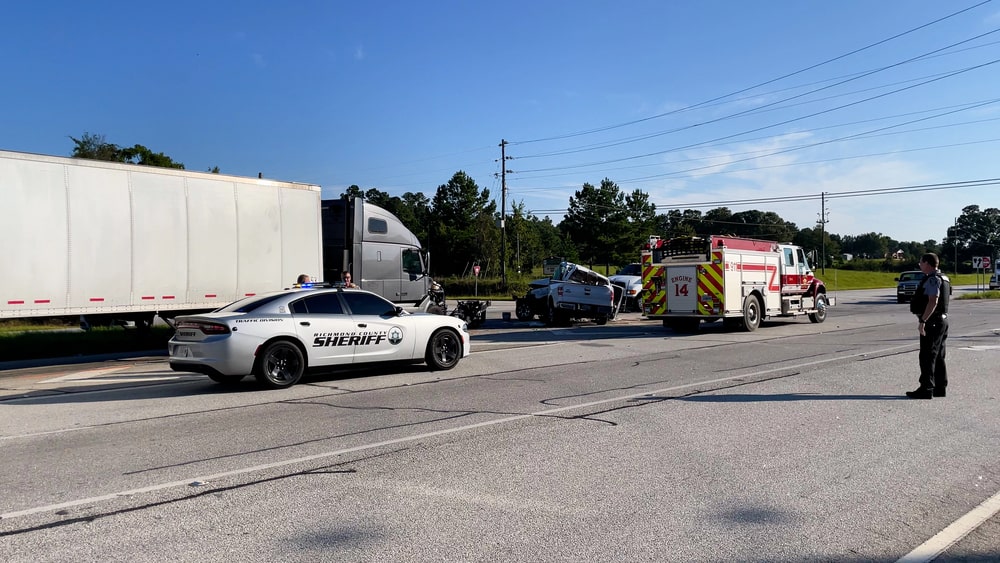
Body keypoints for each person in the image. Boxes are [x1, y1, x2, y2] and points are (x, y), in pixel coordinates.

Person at [906, 252, 950, 399]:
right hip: (942, 320)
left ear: (927, 263)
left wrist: (923, 321)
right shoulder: (944, 278)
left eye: (921, 262)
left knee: (927, 356)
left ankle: (926, 388)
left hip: (932, 322)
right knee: (938, 356)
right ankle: (939, 388)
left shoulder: (933, 279)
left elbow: (933, 301)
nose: (919, 264)